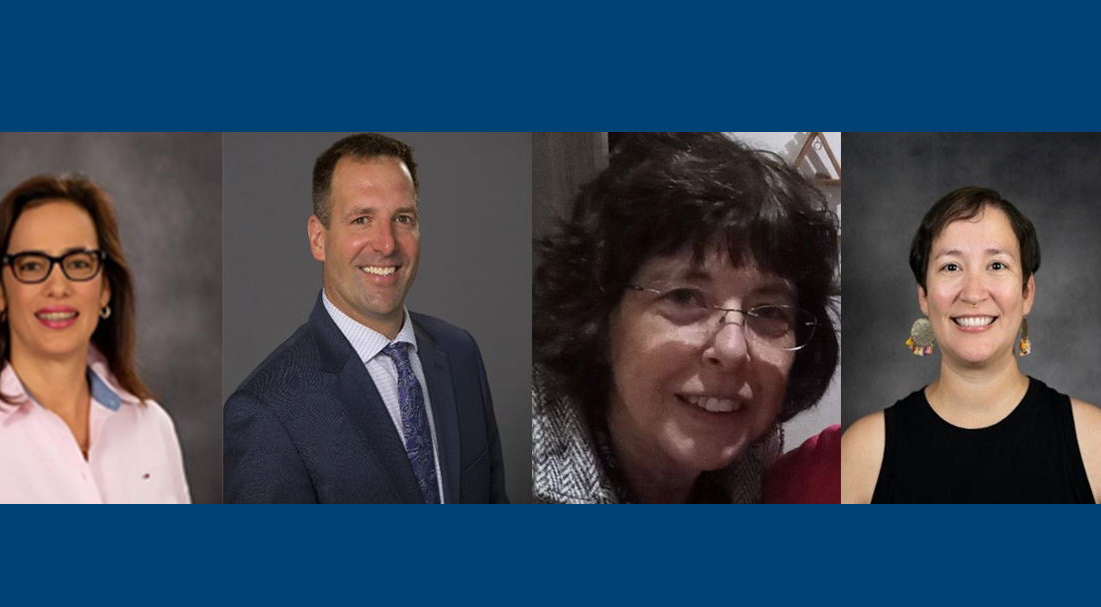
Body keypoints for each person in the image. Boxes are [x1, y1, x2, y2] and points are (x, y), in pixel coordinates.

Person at [533, 133, 840, 503]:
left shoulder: (760, 469)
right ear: (600, 317)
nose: (732, 348)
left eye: (769, 311)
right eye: (684, 296)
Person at [223, 133, 508, 503]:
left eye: (403, 218)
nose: (387, 244)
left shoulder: (460, 353)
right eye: (361, 219)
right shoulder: (266, 412)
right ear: (318, 238)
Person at [0, 175, 189, 503]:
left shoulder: (152, 427)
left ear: (105, 290)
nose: (58, 286)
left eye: (79, 263)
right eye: (32, 265)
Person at [842, 187, 1101, 503]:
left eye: (996, 265)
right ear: (923, 295)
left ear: (1027, 292)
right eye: (951, 267)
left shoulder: (1094, 444)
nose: (974, 293)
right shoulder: (861, 454)